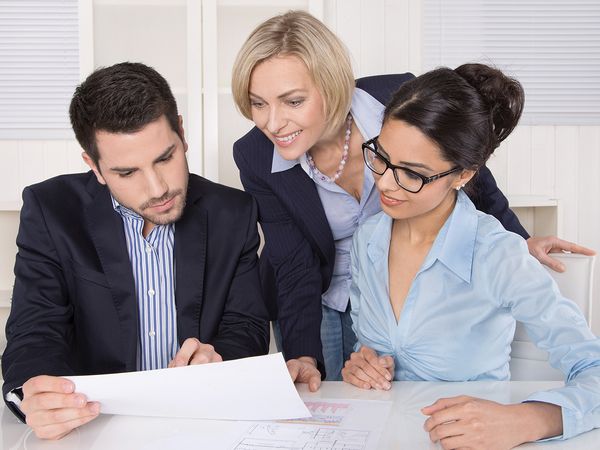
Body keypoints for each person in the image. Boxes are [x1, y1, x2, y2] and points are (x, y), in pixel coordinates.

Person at [231, 10, 594, 387]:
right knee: (348, 394)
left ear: (331, 84)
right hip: (327, 296)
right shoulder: (256, 156)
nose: (272, 123)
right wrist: (304, 355)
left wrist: (516, 243)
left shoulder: (399, 99)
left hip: (409, 286)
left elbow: (469, 164)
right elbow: (293, 262)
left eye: (292, 101)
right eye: (258, 103)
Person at [1, 62, 269, 440]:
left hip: (201, 428)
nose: (157, 187)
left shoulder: (234, 213)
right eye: (127, 173)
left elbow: (247, 326)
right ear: (94, 166)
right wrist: (34, 395)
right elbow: (35, 329)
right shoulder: (51, 211)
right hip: (92, 430)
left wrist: (219, 357)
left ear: (182, 132)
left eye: (165, 158)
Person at [342, 63, 600, 447]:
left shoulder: (499, 256)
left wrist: (528, 420)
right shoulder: (367, 239)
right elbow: (368, 346)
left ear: (463, 175)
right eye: (380, 156)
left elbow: (592, 369)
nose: (384, 181)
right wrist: (362, 364)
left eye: (412, 173)